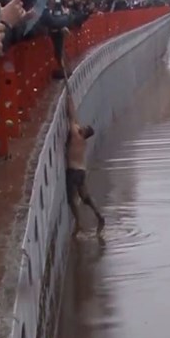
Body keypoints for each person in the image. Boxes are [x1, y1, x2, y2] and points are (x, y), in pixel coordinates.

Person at [64, 91, 105, 236]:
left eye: (85, 128)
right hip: (81, 171)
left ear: (84, 133)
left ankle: (79, 223)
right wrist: (71, 100)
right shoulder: (81, 141)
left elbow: (71, 119)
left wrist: (69, 103)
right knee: (85, 197)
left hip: (73, 172)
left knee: (71, 200)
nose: (82, 126)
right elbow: (75, 119)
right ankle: (99, 215)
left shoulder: (76, 135)